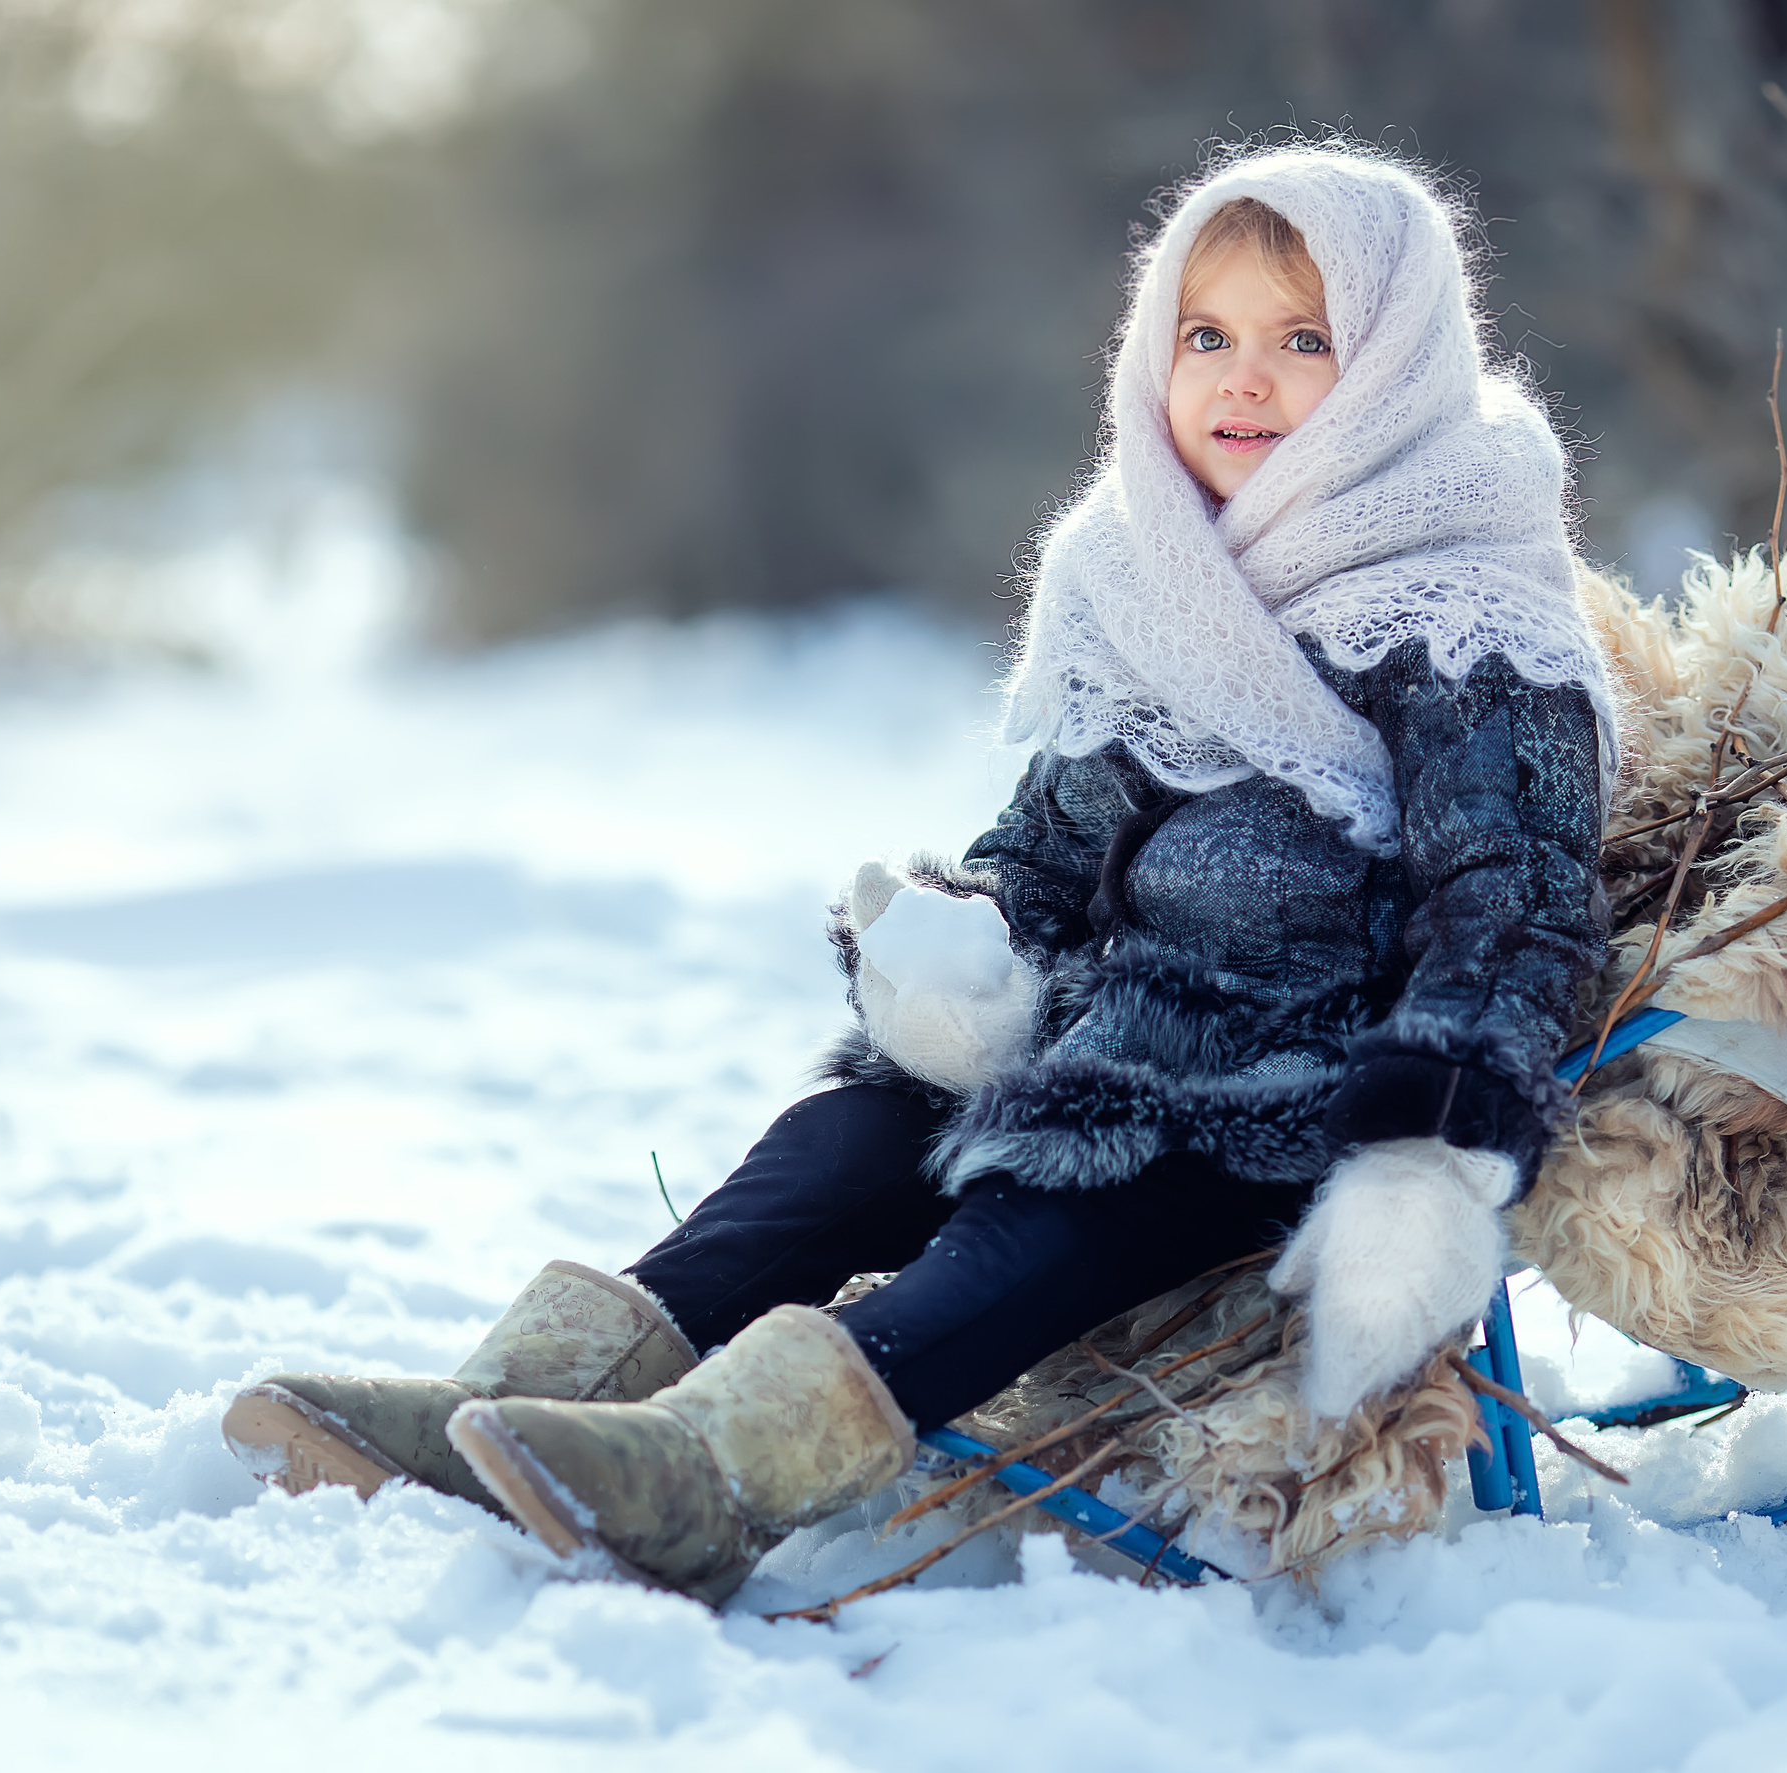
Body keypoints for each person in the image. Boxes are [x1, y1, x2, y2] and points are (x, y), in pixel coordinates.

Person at [221, 142, 1612, 1605]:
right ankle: (496, 1406)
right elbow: (1051, 845)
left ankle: (718, 1472)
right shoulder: (1139, 573)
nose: (1240, 380)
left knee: (1039, 1211)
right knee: (832, 1151)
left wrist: (1428, 1153)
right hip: (1082, 1036)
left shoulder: (1464, 602)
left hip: (1278, 1092)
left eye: (1300, 339)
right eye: (1207, 337)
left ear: (1396, 364)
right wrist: (971, 939)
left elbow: (1510, 906)